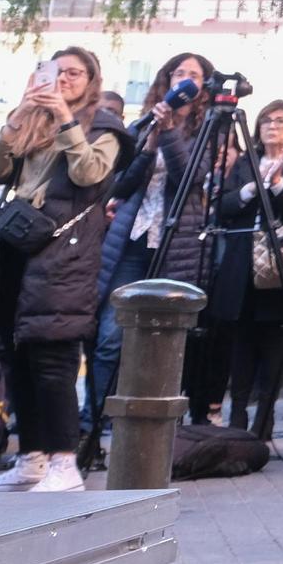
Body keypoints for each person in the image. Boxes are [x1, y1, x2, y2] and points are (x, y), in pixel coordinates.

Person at [0, 49, 129, 492]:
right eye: (55, 72)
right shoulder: (32, 120)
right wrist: (20, 115)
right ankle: (31, 459)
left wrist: (64, 117)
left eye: (73, 74)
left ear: (90, 80)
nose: (62, 80)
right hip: (16, 249)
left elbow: (90, 175)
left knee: (53, 358)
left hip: (65, 254)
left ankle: (66, 464)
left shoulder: (103, 125)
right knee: (15, 354)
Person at [92, 52, 215, 427]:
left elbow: (190, 179)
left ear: (202, 88)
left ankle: (156, 423)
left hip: (176, 245)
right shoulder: (144, 123)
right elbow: (121, 184)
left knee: (166, 338)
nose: (185, 79)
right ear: (167, 79)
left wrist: (172, 133)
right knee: (111, 335)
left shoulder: (210, 129)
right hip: (133, 238)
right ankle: (93, 419)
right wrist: (149, 144)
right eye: (179, 72)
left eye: (193, 75)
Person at [210, 100, 283, 441]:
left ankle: (265, 418)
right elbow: (222, 208)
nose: (272, 126)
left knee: (274, 343)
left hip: (279, 264)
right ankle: (237, 414)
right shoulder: (245, 162)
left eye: (281, 121)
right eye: (267, 120)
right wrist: (248, 190)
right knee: (241, 342)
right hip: (242, 263)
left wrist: (278, 184)